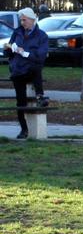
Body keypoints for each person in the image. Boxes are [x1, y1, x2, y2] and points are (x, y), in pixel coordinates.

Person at [4, 8, 49, 138]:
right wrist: (8, 49)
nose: (22, 22)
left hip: (31, 68)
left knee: (36, 68)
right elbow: (10, 52)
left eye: (24, 20)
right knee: (20, 102)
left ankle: (40, 96)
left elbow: (40, 56)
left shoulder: (41, 35)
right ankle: (24, 129)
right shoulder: (17, 32)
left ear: (32, 19)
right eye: (21, 20)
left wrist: (24, 53)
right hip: (17, 69)